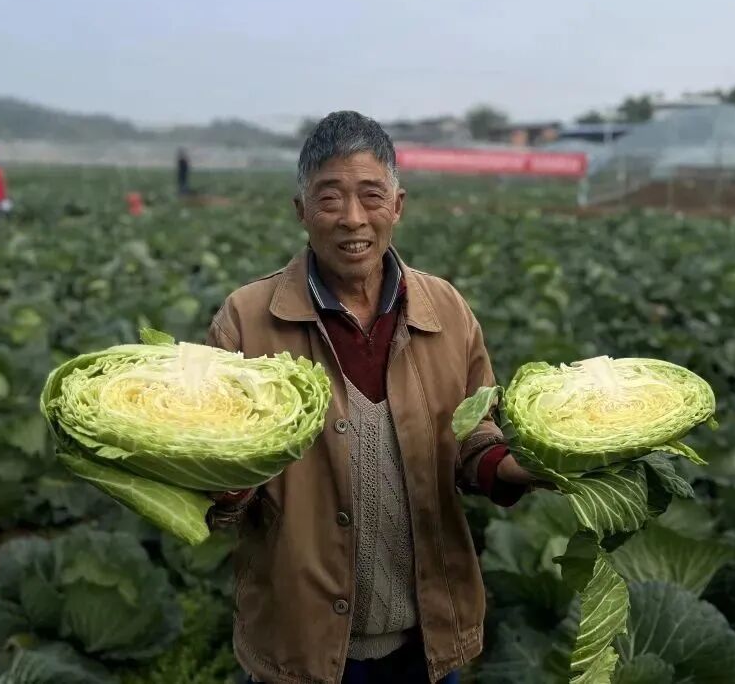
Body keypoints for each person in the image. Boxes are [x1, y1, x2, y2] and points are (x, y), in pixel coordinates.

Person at [206, 111, 544, 684]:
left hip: (424, 644)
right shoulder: (246, 320)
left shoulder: (447, 311)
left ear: (398, 205)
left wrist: (519, 468)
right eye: (329, 198)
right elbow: (217, 487)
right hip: (300, 647)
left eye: (371, 195)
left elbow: (475, 436)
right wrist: (225, 478)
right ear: (301, 210)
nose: (353, 218)